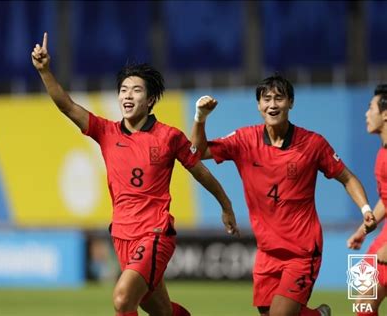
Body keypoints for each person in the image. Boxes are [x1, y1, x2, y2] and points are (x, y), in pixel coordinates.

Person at [31, 32, 239, 316]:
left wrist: (226, 205)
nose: (127, 95)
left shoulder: (168, 136)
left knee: (121, 299)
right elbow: (67, 105)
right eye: (123, 89)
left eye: (136, 90)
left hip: (155, 233)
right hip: (122, 235)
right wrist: (45, 71)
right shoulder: (106, 132)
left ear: (151, 99)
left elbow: (200, 171)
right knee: (163, 312)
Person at [190, 74, 377, 316]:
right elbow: (196, 152)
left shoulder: (313, 144)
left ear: (291, 102)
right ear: (258, 105)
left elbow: (348, 178)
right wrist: (200, 117)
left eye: (279, 98)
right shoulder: (244, 140)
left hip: (302, 250)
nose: (272, 105)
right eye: (266, 99)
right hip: (267, 251)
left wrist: (365, 209)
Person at [347, 84, 387, 316]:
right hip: (381, 235)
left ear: (385, 114)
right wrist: (363, 230)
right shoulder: (382, 152)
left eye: (370, 107)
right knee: (361, 303)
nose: (366, 113)